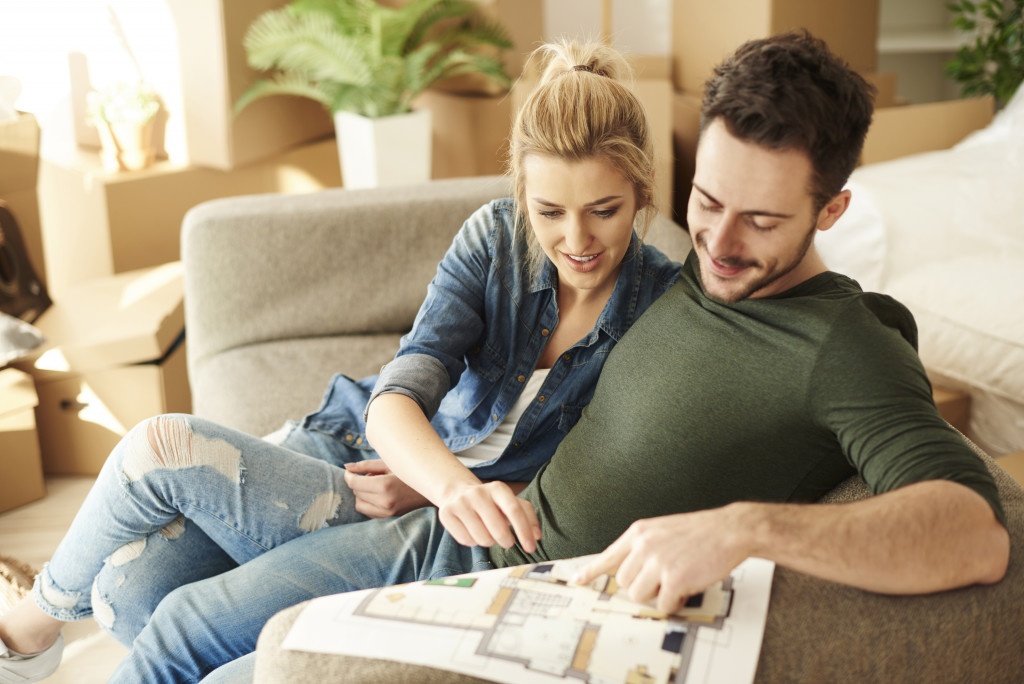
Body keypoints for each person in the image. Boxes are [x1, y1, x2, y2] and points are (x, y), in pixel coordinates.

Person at [40, 30, 1013, 683]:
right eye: (708, 202)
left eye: (760, 220)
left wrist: (747, 527)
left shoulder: (840, 346)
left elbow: (972, 532)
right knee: (161, 613)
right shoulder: (680, 267)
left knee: (203, 645)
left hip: (508, 580)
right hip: (465, 527)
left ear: (831, 209)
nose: (717, 245)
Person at [0, 40, 683, 684]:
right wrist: (448, 482)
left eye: (604, 210)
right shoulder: (496, 237)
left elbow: (599, 478)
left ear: (642, 194)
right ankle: (28, 634)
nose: (576, 239)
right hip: (352, 452)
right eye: (550, 211)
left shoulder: (663, 308)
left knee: (154, 523)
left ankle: (25, 637)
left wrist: (434, 489)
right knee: (126, 593)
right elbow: (399, 392)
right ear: (521, 195)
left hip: (418, 516)